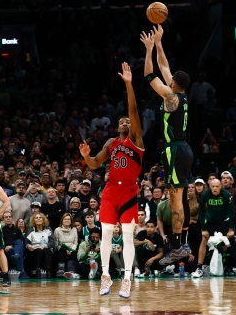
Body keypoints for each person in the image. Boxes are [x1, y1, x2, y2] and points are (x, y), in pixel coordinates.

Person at [79, 61, 143, 298]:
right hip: (110, 191)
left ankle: (127, 278)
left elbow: (133, 110)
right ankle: (105, 275)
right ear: (117, 127)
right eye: (121, 122)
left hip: (128, 191)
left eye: (127, 121)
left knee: (127, 236)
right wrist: (86, 157)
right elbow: (96, 164)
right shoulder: (111, 143)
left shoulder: (136, 140)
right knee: (105, 233)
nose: (125, 123)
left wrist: (129, 84)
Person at [142, 26, 193, 265]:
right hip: (182, 148)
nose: (168, 77)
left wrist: (148, 50)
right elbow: (164, 67)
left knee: (175, 199)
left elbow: (150, 76)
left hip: (175, 149)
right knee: (179, 198)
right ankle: (181, 243)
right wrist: (159, 44)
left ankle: (177, 246)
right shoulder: (180, 95)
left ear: (173, 84)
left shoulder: (170, 97)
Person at [191, 178, 236, 277]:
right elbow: (201, 212)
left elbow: (231, 212)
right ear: (209, 187)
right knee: (204, 239)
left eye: (217, 186)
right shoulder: (205, 194)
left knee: (231, 239)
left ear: (221, 186)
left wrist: (231, 229)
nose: (215, 188)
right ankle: (199, 268)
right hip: (211, 221)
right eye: (213, 186)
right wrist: (203, 229)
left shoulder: (226, 195)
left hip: (224, 220)